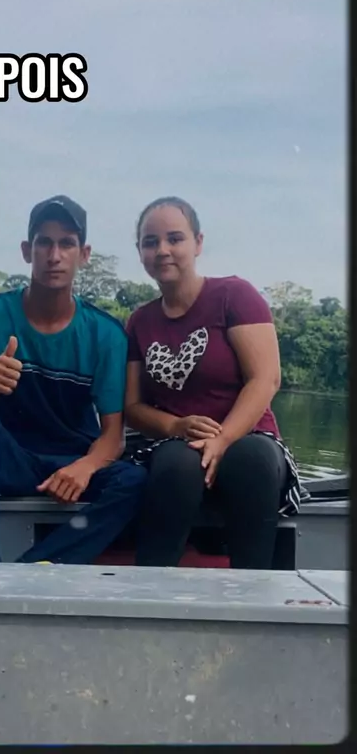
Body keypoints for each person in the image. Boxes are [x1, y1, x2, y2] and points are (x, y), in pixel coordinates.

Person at [0, 195, 146, 564]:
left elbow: (113, 436)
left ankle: (38, 567)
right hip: (9, 461)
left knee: (134, 481)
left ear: (83, 254)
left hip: (70, 464)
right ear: (28, 251)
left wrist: (85, 467)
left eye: (66, 243)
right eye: (44, 242)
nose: (54, 255)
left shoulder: (105, 334)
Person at [125, 196, 304, 569]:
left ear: (198, 243)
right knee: (176, 464)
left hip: (249, 436)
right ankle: (150, 588)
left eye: (175, 238)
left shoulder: (233, 296)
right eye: (150, 242)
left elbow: (265, 379)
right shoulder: (140, 322)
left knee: (249, 460)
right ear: (140, 251)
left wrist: (222, 440)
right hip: (176, 441)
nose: (162, 250)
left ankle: (253, 589)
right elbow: (133, 407)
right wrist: (175, 426)